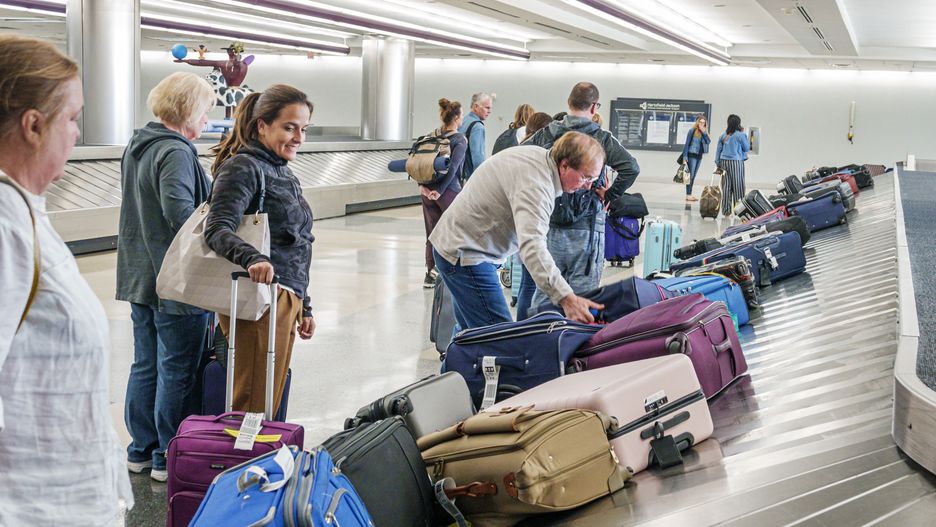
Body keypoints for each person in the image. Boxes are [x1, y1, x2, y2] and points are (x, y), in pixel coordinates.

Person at [0, 34, 133, 524]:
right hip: (32, 506)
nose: (77, 133)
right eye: (73, 118)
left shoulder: (24, 211)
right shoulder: (4, 225)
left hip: (65, 497)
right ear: (34, 125)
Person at [117, 72, 217, 482]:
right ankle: (166, 454)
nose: (207, 119)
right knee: (176, 368)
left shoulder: (138, 145)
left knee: (146, 365)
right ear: (188, 109)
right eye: (206, 110)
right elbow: (182, 215)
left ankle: (140, 449)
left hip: (140, 274)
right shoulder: (175, 151)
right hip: (176, 281)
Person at [205, 84, 316, 415]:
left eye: (304, 129)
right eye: (289, 127)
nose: (298, 138)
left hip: (285, 297)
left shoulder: (282, 170)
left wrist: (305, 305)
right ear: (262, 126)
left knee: (269, 397)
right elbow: (217, 228)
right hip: (259, 297)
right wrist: (252, 257)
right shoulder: (243, 167)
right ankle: (243, 449)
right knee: (253, 398)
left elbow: (296, 243)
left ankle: (257, 447)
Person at [430, 131, 607, 329]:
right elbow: (532, 246)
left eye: (593, 179)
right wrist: (566, 297)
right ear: (564, 165)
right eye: (585, 177)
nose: (588, 186)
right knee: (500, 337)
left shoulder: (539, 158)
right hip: (466, 254)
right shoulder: (537, 185)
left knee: (469, 336)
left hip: (459, 244)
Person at [524, 82, 640, 313]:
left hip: (550, 224)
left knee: (546, 294)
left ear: (569, 102)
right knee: (583, 299)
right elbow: (631, 168)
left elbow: (518, 157)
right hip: (587, 229)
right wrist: (609, 194)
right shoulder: (601, 138)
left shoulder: (546, 134)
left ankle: (538, 332)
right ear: (594, 107)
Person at [420, 99, 467, 288]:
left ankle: (430, 274)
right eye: (461, 115)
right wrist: (439, 191)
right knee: (454, 230)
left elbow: (419, 162)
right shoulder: (459, 139)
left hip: (426, 191)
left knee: (432, 231)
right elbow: (454, 168)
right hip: (448, 191)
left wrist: (423, 187)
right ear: (456, 118)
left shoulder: (432, 136)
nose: (462, 119)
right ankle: (450, 271)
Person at [714, 114, 750, 216]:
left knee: (726, 187)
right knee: (738, 186)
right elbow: (747, 148)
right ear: (738, 124)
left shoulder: (723, 135)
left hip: (723, 162)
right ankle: (739, 211)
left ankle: (726, 211)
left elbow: (718, 150)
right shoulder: (740, 135)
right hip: (736, 162)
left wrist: (718, 163)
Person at [457, 92, 492, 182]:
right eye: (487, 107)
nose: (489, 111)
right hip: (469, 178)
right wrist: (481, 181)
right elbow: (478, 158)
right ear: (476, 106)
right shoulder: (478, 127)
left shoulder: (463, 121)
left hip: (457, 176)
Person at [681, 115, 711, 202]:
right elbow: (687, 144)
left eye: (703, 122)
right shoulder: (692, 131)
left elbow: (708, 141)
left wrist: (704, 132)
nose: (702, 124)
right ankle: (688, 195)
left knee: (693, 176)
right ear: (697, 122)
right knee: (691, 176)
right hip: (691, 155)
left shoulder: (704, 132)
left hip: (699, 156)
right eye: (700, 122)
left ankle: (689, 195)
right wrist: (685, 156)